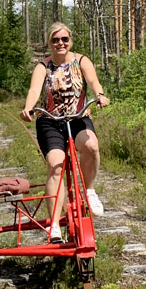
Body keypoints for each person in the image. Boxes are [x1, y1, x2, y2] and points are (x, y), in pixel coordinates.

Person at [20, 22, 109, 243]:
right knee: (56, 166)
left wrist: (99, 94)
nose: (60, 43)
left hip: (78, 118)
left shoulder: (81, 61)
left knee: (91, 146)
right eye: (55, 40)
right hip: (50, 121)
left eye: (64, 39)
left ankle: (89, 191)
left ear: (70, 41)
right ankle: (54, 226)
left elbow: (93, 81)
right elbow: (34, 89)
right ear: (50, 43)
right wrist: (28, 107)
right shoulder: (43, 66)